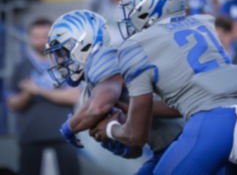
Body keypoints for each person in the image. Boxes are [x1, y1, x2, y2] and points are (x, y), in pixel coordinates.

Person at [92, 0, 237, 174]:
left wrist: (109, 128)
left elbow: (136, 135)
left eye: (133, 7)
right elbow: (187, 101)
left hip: (213, 127)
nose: (129, 15)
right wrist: (126, 106)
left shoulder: (136, 46)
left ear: (149, 7)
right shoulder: (203, 23)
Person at [44, 10, 184, 174]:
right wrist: (118, 144)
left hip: (185, 137)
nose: (60, 63)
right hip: (166, 147)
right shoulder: (91, 89)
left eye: (63, 54)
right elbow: (136, 148)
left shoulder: (103, 58)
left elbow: (99, 107)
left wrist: (69, 128)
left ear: (83, 45)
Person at [6, 18, 81, 175]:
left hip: (65, 134)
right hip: (30, 136)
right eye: (36, 36)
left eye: (45, 36)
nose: (41, 41)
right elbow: (12, 105)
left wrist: (38, 89)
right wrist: (27, 93)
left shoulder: (67, 64)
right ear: (29, 38)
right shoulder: (20, 67)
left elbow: (74, 96)